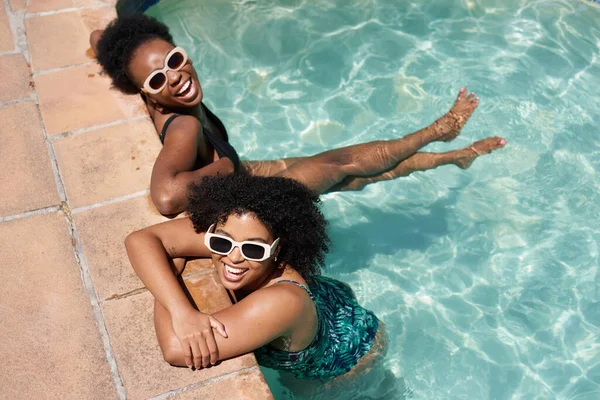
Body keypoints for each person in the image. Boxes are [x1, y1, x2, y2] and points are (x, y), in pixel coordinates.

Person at [92, 14, 506, 216]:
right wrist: (221, 165)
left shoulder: (152, 92)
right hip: (245, 196)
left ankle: (456, 155)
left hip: (247, 174)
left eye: (175, 59)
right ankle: (440, 132)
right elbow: (165, 197)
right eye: (158, 79)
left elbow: (103, 42)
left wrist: (103, 46)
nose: (176, 77)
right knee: (341, 163)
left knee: (357, 175)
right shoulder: (182, 124)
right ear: (150, 98)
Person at [125, 173, 387, 388]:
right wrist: (180, 307)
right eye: (221, 241)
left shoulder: (281, 302)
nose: (234, 257)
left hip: (350, 357)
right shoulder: (237, 234)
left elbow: (174, 349)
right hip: (327, 304)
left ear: (278, 249)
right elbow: (141, 240)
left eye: (253, 249)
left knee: (296, 389)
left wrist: (171, 272)